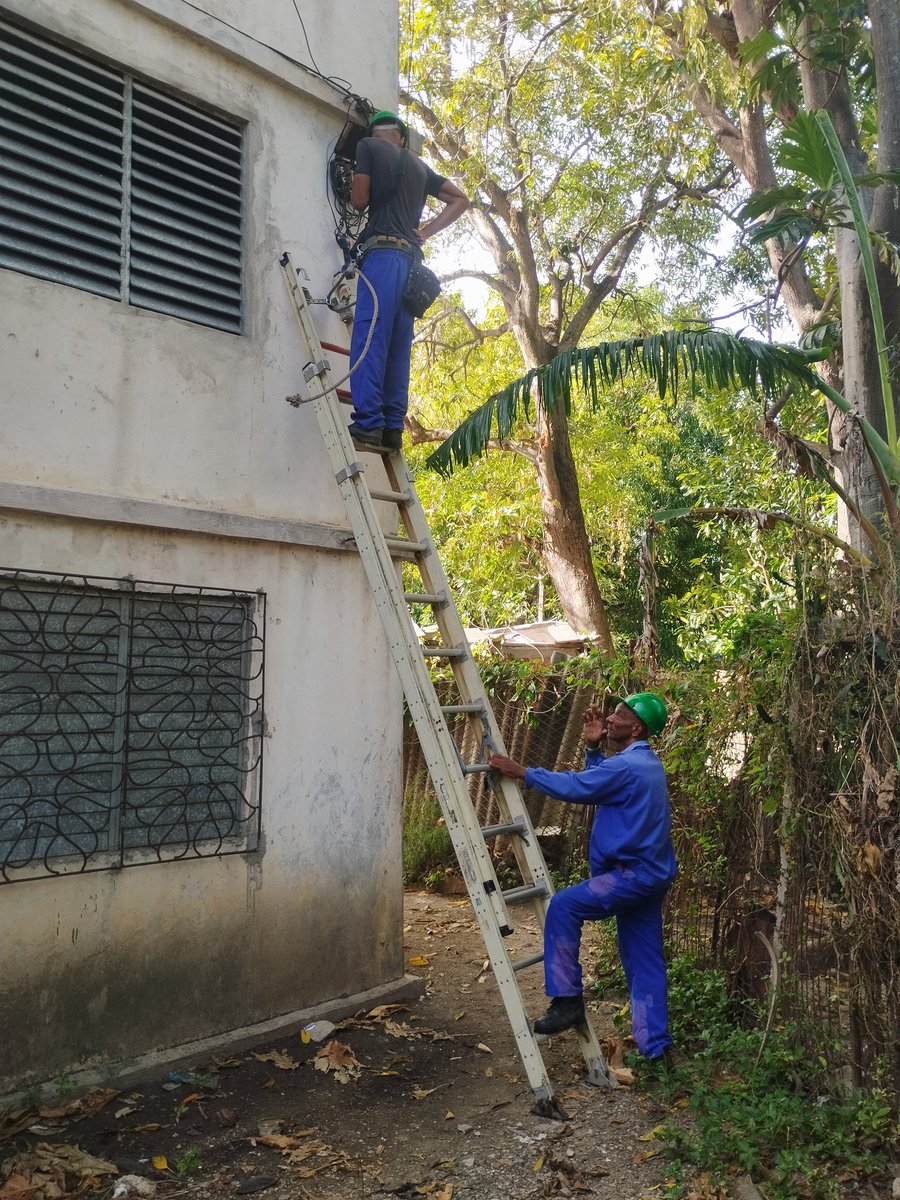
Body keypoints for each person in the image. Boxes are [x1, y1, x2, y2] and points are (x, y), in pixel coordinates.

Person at [488, 693, 676, 1066]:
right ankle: (657, 1051)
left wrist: (523, 772)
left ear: (636, 727)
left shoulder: (629, 766)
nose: (611, 717)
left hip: (631, 876)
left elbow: (579, 787)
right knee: (645, 962)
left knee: (564, 906)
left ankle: (568, 1000)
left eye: (621, 714)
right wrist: (592, 748)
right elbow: (599, 783)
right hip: (649, 876)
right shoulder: (641, 763)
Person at [348, 110, 469, 451]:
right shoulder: (419, 167)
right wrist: (425, 231)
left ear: (375, 134)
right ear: (400, 137)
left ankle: (368, 424)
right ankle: (390, 428)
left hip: (383, 258)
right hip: (413, 265)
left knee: (371, 334)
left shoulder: (369, 147)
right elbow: (461, 199)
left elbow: (358, 201)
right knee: (399, 346)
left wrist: (356, 177)